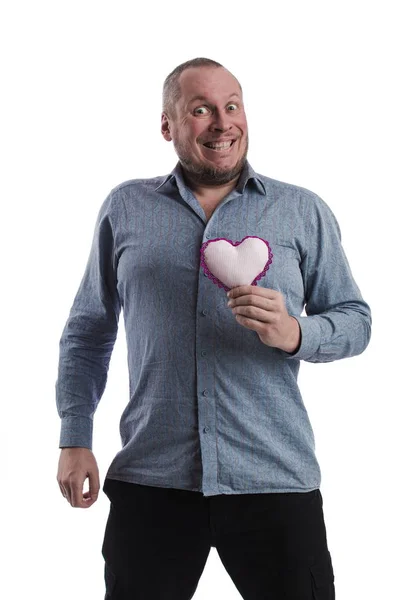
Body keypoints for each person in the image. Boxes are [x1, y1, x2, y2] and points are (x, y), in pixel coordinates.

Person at [55, 57, 371, 599]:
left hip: (274, 477)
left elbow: (356, 321)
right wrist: (74, 435)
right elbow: (89, 329)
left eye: (232, 106)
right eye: (200, 110)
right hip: (153, 480)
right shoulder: (126, 207)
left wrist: (296, 334)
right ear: (168, 126)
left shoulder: (301, 211)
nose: (222, 124)